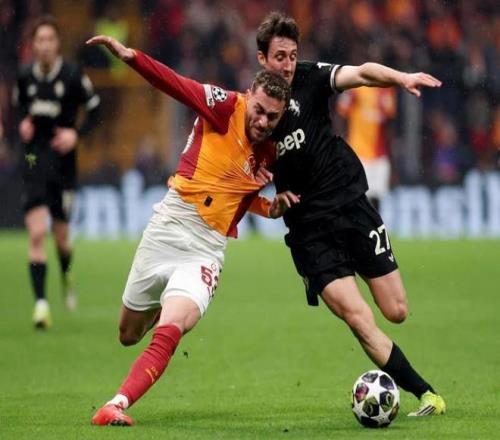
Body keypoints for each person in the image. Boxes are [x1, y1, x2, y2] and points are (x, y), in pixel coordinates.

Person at [85, 35, 295, 426]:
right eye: (259, 111)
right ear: (249, 96)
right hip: (169, 226)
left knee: (173, 326)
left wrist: (271, 207)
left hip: (205, 250)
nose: (263, 122)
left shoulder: (269, 151)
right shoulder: (224, 106)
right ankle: (160, 303)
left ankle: (116, 404)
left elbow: (239, 198)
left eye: (272, 117)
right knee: (128, 334)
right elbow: (176, 84)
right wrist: (132, 57)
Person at [255, 12, 446, 416]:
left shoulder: (310, 78)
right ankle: (427, 394)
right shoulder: (253, 113)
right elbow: (244, 182)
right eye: (279, 57)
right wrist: (271, 206)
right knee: (359, 319)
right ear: (262, 59)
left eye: (292, 56)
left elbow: (360, 73)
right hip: (310, 233)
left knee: (396, 311)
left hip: (349, 205)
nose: (287, 65)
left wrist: (400, 77)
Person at [12, 15, 100, 328]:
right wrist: (22, 124)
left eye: (50, 39)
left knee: (61, 239)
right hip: (34, 160)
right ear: (33, 45)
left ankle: (66, 273)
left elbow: (96, 109)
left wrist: (76, 134)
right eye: (40, 40)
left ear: (57, 44)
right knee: (37, 233)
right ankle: (41, 305)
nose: (45, 45)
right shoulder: (25, 76)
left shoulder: (73, 75)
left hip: (63, 166)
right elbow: (18, 110)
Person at [336, 86, 396, 211]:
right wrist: (339, 143)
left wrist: (392, 157)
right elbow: (341, 112)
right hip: (358, 153)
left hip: (380, 155)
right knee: (357, 197)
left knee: (376, 198)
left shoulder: (387, 89)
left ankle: (374, 223)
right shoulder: (355, 87)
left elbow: (390, 123)